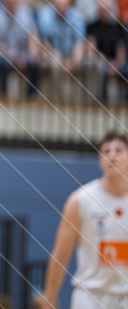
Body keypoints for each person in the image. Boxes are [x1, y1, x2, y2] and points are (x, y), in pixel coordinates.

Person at [42, 129, 128, 309]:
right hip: (89, 296)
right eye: (106, 151)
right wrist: (49, 296)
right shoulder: (80, 200)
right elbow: (61, 254)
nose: (112, 156)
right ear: (100, 161)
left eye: (119, 150)